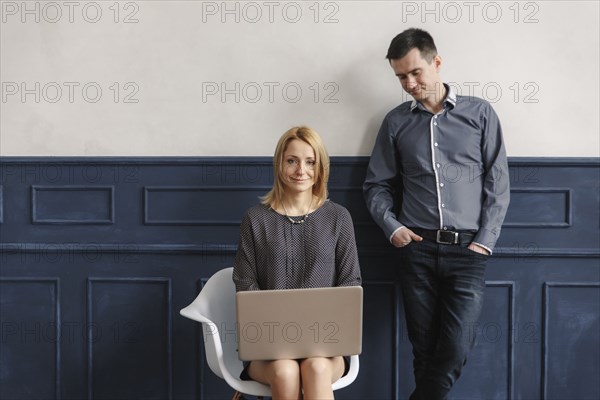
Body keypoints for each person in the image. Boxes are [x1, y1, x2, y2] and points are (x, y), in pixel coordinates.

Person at [363, 28, 510, 400]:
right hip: (416, 248)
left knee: (456, 347)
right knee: (424, 350)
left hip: (468, 252)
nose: (409, 83)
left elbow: (498, 183)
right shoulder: (395, 123)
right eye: (401, 77)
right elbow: (376, 185)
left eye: (415, 73)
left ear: (437, 63)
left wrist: (484, 243)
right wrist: (392, 227)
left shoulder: (480, 114)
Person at [233, 126, 362, 400]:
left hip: (326, 348)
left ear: (320, 167)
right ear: (279, 164)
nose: (300, 170)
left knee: (315, 367)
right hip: (269, 350)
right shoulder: (255, 218)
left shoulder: (339, 217)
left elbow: (350, 282)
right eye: (291, 160)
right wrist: (270, 336)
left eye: (310, 162)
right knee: (286, 370)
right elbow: (245, 283)